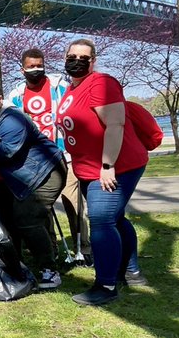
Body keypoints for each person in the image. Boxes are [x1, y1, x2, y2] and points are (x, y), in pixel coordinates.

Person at [56, 39, 150, 306]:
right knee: (115, 218)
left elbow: (116, 123)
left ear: (93, 61)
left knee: (100, 220)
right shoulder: (72, 89)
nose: (76, 60)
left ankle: (106, 285)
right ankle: (131, 271)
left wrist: (107, 165)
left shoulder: (101, 83)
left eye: (83, 57)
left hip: (116, 167)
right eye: (71, 55)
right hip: (87, 169)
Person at [0, 85, 67, 290]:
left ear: (0, 98)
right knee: (13, 221)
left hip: (44, 172)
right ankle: (18, 268)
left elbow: (7, 151)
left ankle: (49, 271)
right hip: (19, 179)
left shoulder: (13, 119)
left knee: (28, 219)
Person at [8, 47, 89, 264]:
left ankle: (84, 249)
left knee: (72, 201)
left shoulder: (60, 87)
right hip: (36, 161)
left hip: (65, 153)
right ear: (22, 69)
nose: (36, 69)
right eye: (31, 66)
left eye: (39, 65)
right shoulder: (16, 95)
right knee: (42, 207)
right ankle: (50, 249)